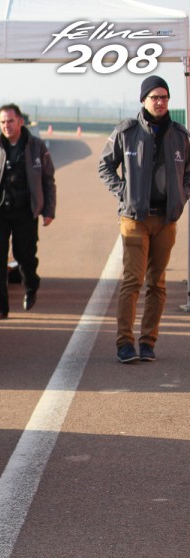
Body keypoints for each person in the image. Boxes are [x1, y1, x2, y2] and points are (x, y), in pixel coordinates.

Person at [98, 75, 190, 364]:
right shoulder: (127, 131)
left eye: (164, 97)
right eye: (154, 97)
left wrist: (182, 196)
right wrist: (124, 192)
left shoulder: (180, 134)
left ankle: (148, 341)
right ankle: (125, 342)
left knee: (158, 283)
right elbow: (105, 166)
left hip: (166, 220)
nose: (160, 102)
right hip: (134, 218)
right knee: (133, 280)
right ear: (143, 100)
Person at [0, 104, 56, 320]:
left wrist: (48, 211)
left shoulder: (37, 147)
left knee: (24, 256)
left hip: (25, 212)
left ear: (20, 122)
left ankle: (31, 284)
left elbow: (48, 180)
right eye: (2, 122)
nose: (6, 126)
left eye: (10, 121)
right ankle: (0, 306)